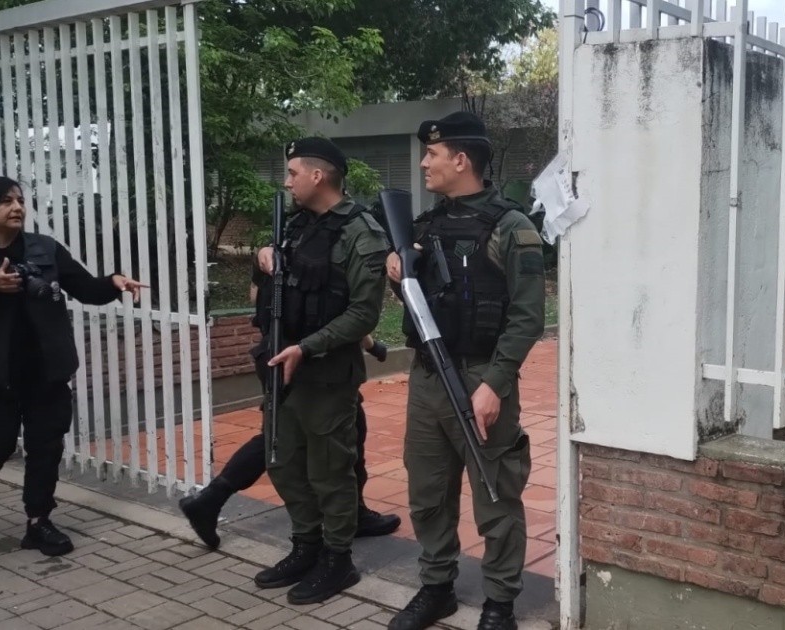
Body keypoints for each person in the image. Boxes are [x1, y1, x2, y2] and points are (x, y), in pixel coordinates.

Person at [385, 111, 545, 630]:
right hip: (429, 378)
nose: (424, 162)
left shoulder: (511, 227)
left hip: (481, 380)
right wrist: (398, 277)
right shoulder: (424, 225)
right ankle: (436, 588)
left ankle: (500, 603)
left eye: (433, 154)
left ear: (461, 159)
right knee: (427, 493)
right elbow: (422, 306)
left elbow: (527, 319)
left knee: (496, 497)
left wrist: (495, 384)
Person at [0, 175, 145, 556]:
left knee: (46, 446)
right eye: (4, 201)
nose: (16, 207)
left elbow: (85, 288)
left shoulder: (44, 249)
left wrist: (113, 282)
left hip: (45, 369)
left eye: (19, 199)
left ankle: (38, 521)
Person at [249, 137, 391, 606]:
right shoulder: (295, 226)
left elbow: (362, 316)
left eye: (292, 173)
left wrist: (307, 348)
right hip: (283, 370)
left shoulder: (361, 232)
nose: (286, 182)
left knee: (330, 471)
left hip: (326, 374)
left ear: (318, 175)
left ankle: (337, 559)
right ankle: (306, 545)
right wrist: (264, 258)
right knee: (284, 462)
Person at [176, 274, 400, 551]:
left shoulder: (279, 252)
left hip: (280, 349)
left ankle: (355, 511)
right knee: (288, 435)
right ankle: (210, 500)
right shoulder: (307, 248)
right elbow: (342, 314)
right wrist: (371, 345)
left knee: (307, 429)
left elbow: (259, 296)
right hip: (312, 359)